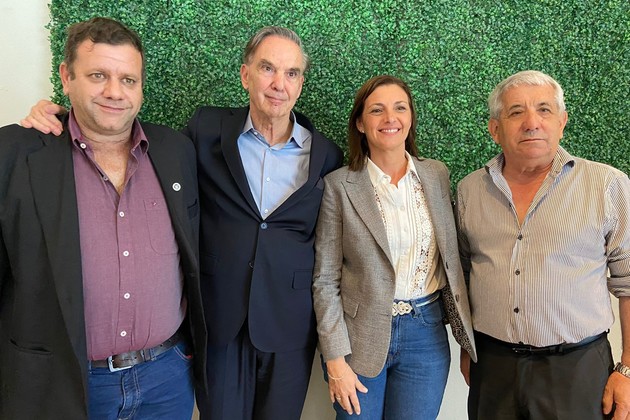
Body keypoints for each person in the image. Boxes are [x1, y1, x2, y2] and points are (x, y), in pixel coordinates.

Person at [22, 25, 343, 419]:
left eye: (291, 73)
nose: (279, 83)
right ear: (246, 75)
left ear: (301, 83)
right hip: (220, 319)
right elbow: (121, 129)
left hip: (289, 324)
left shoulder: (326, 155)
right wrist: (58, 112)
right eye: (267, 68)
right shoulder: (205, 130)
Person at [0, 17, 206, 420]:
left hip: (166, 378)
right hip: (63, 382)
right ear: (66, 77)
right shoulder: (15, 154)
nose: (114, 92)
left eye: (128, 80)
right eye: (98, 75)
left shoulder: (176, 150)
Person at [457, 70, 630, 419]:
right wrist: (467, 348)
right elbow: (463, 275)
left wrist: (627, 370)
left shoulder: (607, 185)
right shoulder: (470, 190)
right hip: (493, 368)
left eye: (544, 110)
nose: (531, 123)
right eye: (516, 112)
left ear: (562, 122)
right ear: (495, 129)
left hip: (577, 370)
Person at [312, 75, 476, 419]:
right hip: (359, 338)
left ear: (411, 117)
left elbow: (454, 257)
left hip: (426, 334)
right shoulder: (338, 187)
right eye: (377, 110)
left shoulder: (437, 175)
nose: (390, 118)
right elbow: (325, 279)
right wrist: (335, 359)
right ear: (360, 123)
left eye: (400, 108)